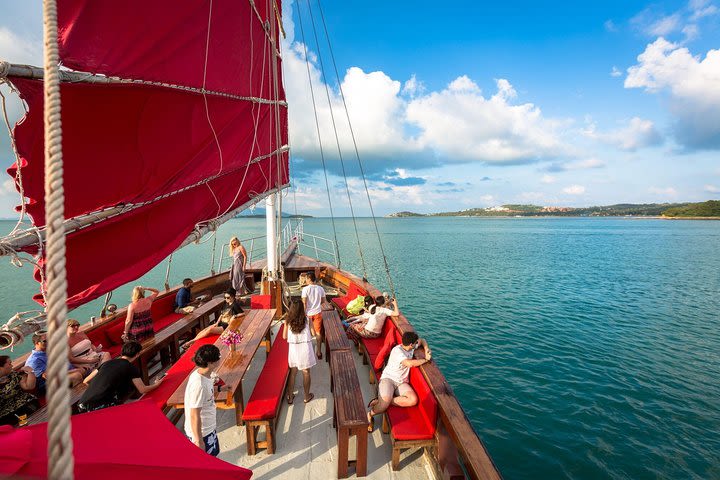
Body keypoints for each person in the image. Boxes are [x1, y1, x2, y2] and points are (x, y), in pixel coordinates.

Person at [367, 331, 432, 432]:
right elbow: (409, 363)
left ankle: (383, 401)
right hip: (388, 379)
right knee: (383, 406)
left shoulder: (410, 346)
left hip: (401, 382)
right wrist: (426, 360)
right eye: (415, 344)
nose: (416, 345)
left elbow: (422, 340)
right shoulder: (398, 351)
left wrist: (426, 349)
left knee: (413, 400)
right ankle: (370, 414)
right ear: (411, 345)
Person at [78, 341, 162, 412]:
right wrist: (157, 384)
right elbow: (142, 389)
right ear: (137, 354)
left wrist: (98, 388)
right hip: (99, 405)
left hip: (83, 404)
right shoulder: (131, 368)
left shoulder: (106, 363)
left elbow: (86, 380)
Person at [184, 344, 227, 456]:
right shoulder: (199, 385)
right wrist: (198, 441)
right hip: (202, 432)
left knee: (215, 454)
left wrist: (219, 388)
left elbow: (206, 392)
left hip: (209, 427)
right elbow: (194, 414)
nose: (220, 358)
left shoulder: (203, 374)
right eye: (218, 356)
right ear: (210, 363)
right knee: (208, 462)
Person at [283, 300, 316, 404]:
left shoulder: (287, 321)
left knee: (293, 373)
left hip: (294, 349)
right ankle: (306, 396)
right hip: (305, 348)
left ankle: (291, 397)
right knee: (306, 372)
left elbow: (284, 336)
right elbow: (314, 333)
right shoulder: (307, 319)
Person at [0, 355, 39, 426]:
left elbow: (29, 387)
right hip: (6, 413)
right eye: (9, 364)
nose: (12, 366)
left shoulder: (13, 375)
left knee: (26, 416)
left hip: (25, 403)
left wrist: (31, 372)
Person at [301, 272, 326, 359]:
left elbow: (304, 303)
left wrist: (303, 314)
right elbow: (323, 301)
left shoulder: (305, 289)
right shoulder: (320, 289)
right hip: (317, 313)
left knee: (307, 333)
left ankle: (307, 352)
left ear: (308, 279)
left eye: (306, 279)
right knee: (318, 333)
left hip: (308, 314)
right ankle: (319, 352)